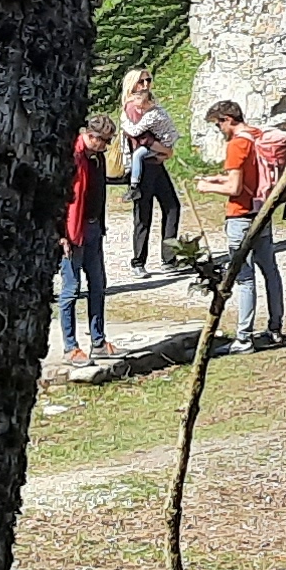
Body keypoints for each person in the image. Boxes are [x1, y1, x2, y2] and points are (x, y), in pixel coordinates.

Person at [202, 97, 286, 347]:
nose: (219, 131)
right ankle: (275, 328)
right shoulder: (257, 135)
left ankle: (243, 337)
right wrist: (219, 179)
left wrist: (207, 186)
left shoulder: (237, 145)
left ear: (227, 120)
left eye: (218, 126)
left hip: (240, 216)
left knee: (244, 278)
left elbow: (236, 186)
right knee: (270, 271)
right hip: (262, 211)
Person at [55, 113, 113, 366]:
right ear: (91, 136)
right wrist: (61, 236)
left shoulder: (96, 158)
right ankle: (70, 347)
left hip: (93, 228)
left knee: (98, 285)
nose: (107, 146)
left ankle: (98, 342)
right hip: (72, 232)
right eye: (104, 141)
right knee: (70, 289)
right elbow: (59, 198)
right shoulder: (72, 157)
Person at [118, 68, 185, 275]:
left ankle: (169, 258)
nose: (146, 84)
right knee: (143, 214)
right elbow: (141, 138)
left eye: (148, 80)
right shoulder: (132, 106)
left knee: (172, 206)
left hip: (155, 163)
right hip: (143, 165)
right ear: (132, 85)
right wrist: (165, 149)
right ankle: (138, 262)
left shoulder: (148, 102)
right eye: (141, 81)